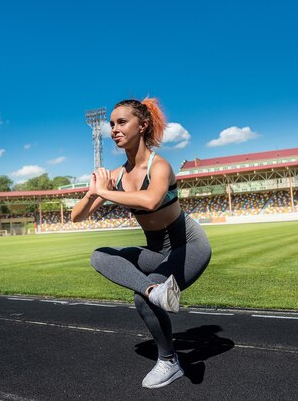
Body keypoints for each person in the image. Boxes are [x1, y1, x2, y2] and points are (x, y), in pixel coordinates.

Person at [71, 98, 212, 389]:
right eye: (111, 124)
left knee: (141, 300)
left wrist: (106, 194)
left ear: (142, 125)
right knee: (99, 256)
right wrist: (92, 192)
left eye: (121, 122)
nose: (114, 129)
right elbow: (76, 216)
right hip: (155, 251)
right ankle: (154, 290)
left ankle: (169, 362)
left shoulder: (159, 166)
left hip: (188, 245)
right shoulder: (117, 175)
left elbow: (150, 200)